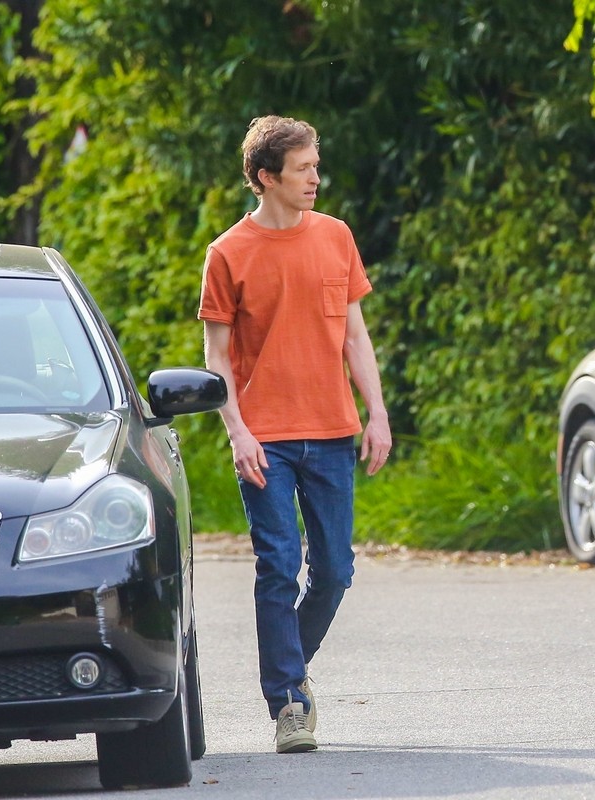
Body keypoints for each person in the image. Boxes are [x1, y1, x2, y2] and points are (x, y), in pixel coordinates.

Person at [198, 115, 392, 753]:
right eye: (304, 168)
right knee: (279, 567)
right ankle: (288, 700)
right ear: (265, 178)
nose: (316, 178)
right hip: (266, 440)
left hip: (333, 430)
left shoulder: (336, 238)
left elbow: (354, 335)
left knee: (335, 570)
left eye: (315, 166)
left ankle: (286, 665)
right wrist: (236, 433)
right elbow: (216, 358)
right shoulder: (228, 253)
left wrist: (378, 413)